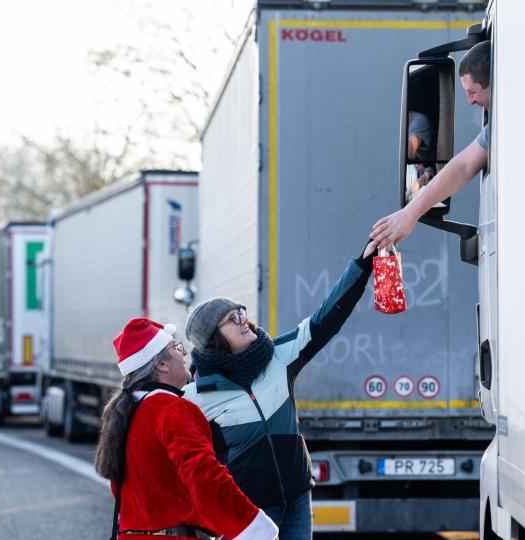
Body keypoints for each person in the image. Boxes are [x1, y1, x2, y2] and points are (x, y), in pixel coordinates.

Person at [181, 239, 377, 540]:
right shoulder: (197, 396)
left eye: (241, 313)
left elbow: (327, 316)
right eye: (232, 320)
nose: (243, 321)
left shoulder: (278, 356)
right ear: (214, 340)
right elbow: (191, 467)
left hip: (297, 497)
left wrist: (364, 264)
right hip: (249, 512)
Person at [95, 317, 278, 540]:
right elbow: (205, 476)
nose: (184, 354)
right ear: (160, 364)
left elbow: (122, 490)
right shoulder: (171, 408)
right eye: (177, 347)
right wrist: (256, 528)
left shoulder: (126, 413)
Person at [372, 40, 492, 249]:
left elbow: (463, 166)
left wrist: (410, 213)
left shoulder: (419, 123)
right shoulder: (499, 125)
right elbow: (462, 166)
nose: (470, 102)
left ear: (494, 83)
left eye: (472, 91)